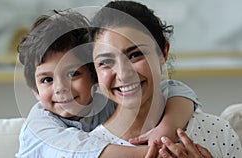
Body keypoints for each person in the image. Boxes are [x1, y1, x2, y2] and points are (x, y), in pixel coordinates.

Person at [16, 10, 202, 158]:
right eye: (46, 80)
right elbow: (78, 150)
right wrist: (160, 152)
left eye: (73, 74)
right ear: (35, 91)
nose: (60, 88)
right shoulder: (38, 124)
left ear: (94, 77)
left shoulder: (107, 105)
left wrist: (167, 127)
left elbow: (173, 89)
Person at [89, 1, 242, 157]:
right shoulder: (89, 149)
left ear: (163, 53)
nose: (123, 74)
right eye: (106, 62)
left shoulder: (217, 130)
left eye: (135, 55)